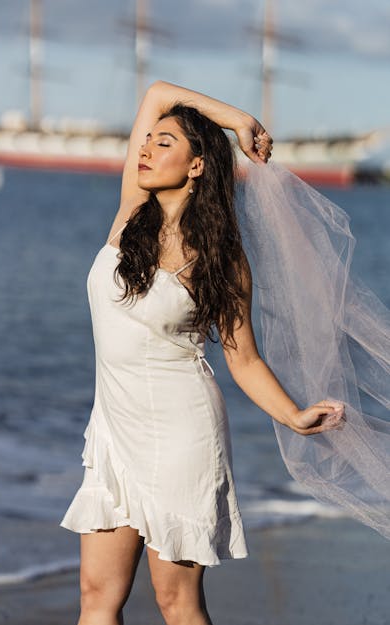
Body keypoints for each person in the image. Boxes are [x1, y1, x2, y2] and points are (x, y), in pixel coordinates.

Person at [60, 80, 345, 625]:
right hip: (114, 433)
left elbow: (244, 359)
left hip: (181, 436)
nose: (145, 148)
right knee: (96, 599)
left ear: (196, 167)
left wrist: (294, 415)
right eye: (148, 141)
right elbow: (156, 92)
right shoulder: (129, 215)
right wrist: (238, 118)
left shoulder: (221, 259)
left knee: (178, 603)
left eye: (163, 143)